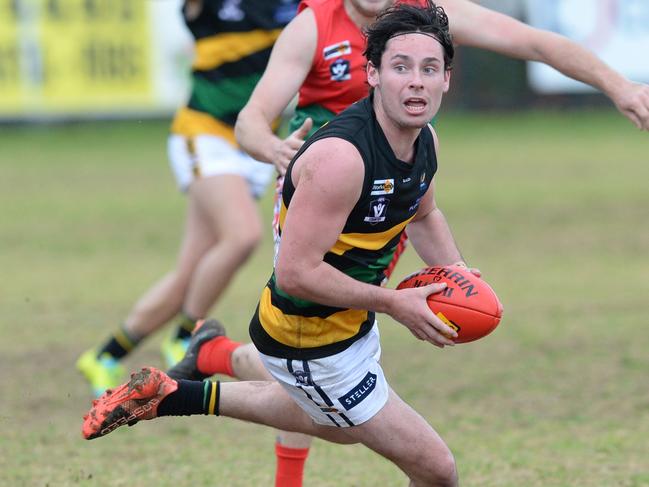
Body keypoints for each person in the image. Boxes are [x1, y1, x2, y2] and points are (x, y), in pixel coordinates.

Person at [162, 0, 649, 473]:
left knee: (336, 388)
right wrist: (276, 149)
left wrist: (619, 85)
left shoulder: (427, 19)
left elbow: (535, 43)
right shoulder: (314, 25)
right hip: (321, 201)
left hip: (391, 199)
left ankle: (214, 354)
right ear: (374, 70)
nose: (415, 77)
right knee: (315, 344)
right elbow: (250, 120)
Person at [84, 3, 471, 485]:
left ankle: (182, 385)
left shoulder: (424, 139)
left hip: (346, 325)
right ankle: (185, 389)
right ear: (371, 73)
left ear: (446, 79)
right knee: (436, 469)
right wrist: (395, 303)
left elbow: (425, 214)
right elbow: (296, 273)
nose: (416, 81)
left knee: (339, 425)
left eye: (429, 69)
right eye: (400, 67)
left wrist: (458, 273)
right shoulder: (340, 160)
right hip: (308, 337)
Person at [76, 2, 312, 486]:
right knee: (241, 235)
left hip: (252, 143)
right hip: (204, 133)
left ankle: (103, 355)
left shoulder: (295, 8)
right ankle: (187, 337)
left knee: (193, 269)